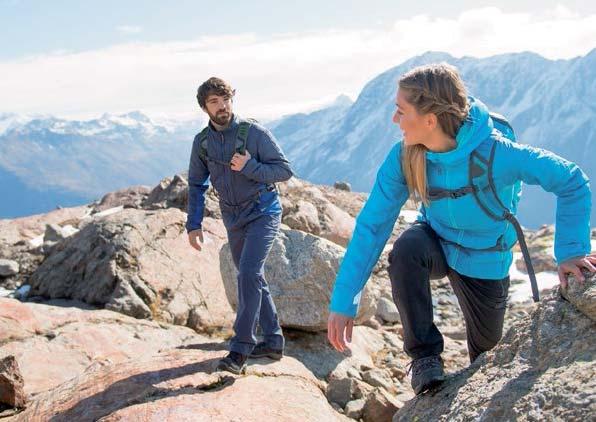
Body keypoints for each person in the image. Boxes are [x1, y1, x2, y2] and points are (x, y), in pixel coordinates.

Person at [326, 63, 595, 395]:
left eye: (400, 111)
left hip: (485, 262)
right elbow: (371, 226)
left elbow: (572, 181)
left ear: (429, 120)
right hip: (434, 242)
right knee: (406, 250)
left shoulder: (497, 153)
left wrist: (572, 251)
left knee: (485, 360)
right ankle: (424, 357)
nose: (394, 120)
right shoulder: (405, 157)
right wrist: (344, 300)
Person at [187, 77, 293, 374]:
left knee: (248, 272)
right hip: (232, 217)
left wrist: (250, 167)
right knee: (251, 276)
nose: (222, 107)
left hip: (263, 211)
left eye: (225, 99)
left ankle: (240, 349)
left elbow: (284, 170)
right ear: (205, 107)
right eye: (214, 102)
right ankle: (272, 341)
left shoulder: (254, 133)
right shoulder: (202, 142)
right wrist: (193, 224)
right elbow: (196, 183)